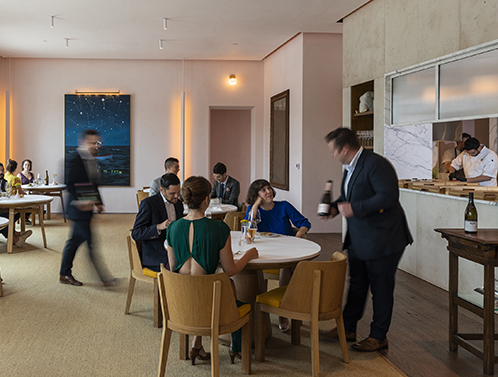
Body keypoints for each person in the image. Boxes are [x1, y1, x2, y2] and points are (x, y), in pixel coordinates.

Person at [321, 127, 413, 352]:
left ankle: (379, 336)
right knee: (357, 284)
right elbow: (350, 197)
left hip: (383, 238)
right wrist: (335, 207)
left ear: (344, 148)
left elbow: (388, 197)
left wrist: (355, 208)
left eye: (333, 150)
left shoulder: (376, 164)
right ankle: (348, 328)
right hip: (360, 238)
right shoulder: (349, 167)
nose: (331, 155)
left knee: (381, 288)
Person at [166, 176, 258, 364]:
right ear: (207, 199)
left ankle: (196, 345)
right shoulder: (219, 228)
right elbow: (230, 269)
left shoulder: (173, 228)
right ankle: (237, 347)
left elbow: (173, 269)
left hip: (180, 304)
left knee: (214, 286)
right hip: (212, 307)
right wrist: (248, 255)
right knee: (231, 288)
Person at [244, 178, 311, 331]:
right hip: (264, 251)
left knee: (286, 265)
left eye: (268, 188)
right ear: (256, 194)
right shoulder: (254, 210)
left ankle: (283, 311)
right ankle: (257, 311)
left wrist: (298, 237)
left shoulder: (284, 206)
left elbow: (305, 223)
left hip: (285, 250)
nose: (268, 192)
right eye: (263, 190)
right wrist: (255, 205)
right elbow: (248, 231)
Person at [59, 129, 116, 287]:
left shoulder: (92, 160)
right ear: (82, 142)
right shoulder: (74, 160)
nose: (95, 145)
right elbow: (70, 185)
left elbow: (92, 185)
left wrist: (98, 202)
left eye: (96, 142)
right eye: (91, 142)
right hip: (78, 209)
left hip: (87, 209)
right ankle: (104, 278)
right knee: (91, 243)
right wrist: (82, 200)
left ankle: (64, 273)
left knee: (74, 242)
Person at [131, 173, 184, 271]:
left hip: (175, 248)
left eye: (178, 192)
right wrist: (158, 227)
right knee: (177, 268)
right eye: (172, 193)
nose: (176, 196)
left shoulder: (178, 204)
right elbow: (136, 233)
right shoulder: (148, 204)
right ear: (162, 190)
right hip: (156, 253)